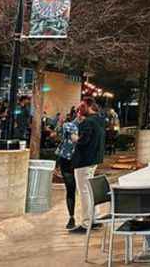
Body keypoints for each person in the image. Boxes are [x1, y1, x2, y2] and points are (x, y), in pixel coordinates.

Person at [70, 98, 105, 234]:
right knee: (89, 189)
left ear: (88, 106)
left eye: (82, 106)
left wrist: (75, 138)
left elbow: (83, 141)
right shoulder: (99, 119)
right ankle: (94, 218)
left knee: (84, 191)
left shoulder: (88, 122)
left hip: (84, 160)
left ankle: (86, 223)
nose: (79, 109)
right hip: (94, 159)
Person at [56, 110, 80, 230]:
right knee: (71, 189)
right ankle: (71, 217)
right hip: (67, 160)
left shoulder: (89, 125)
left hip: (78, 160)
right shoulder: (70, 125)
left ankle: (86, 217)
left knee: (79, 189)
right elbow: (74, 138)